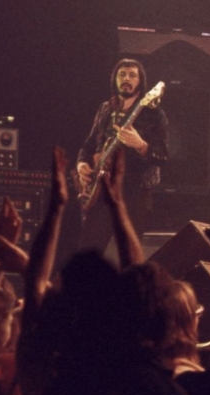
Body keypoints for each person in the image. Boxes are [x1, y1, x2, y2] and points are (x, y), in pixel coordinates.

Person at [76, 58, 169, 255]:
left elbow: (163, 155)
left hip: (134, 193)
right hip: (101, 191)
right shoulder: (105, 109)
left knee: (129, 255)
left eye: (132, 75)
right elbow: (88, 145)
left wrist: (140, 144)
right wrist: (82, 164)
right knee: (87, 252)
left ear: (140, 81)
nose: (126, 79)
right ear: (115, 79)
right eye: (122, 75)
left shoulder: (153, 114)